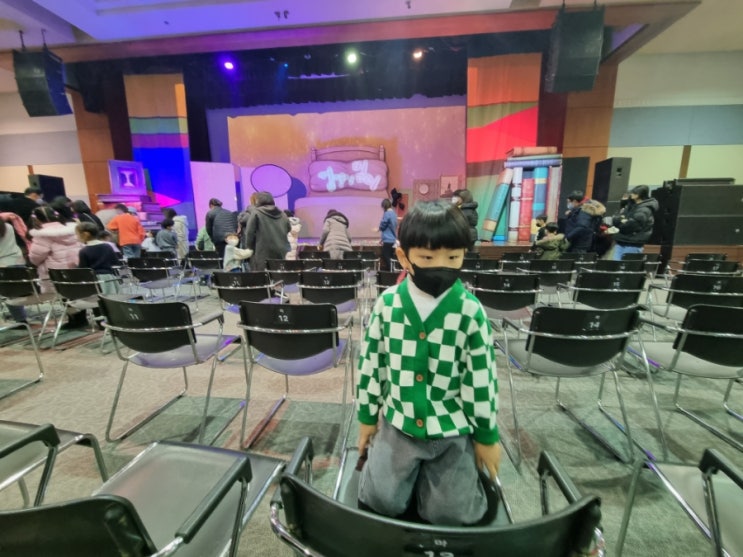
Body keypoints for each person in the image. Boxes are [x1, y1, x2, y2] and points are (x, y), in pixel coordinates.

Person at [356, 200, 500, 526]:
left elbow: (481, 379)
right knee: (381, 502)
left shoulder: (470, 311)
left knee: (450, 515)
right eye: (427, 258)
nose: (441, 266)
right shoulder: (388, 304)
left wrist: (486, 436)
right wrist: (367, 417)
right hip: (398, 423)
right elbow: (372, 364)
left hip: (452, 430)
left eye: (453, 257)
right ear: (403, 257)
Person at [28, 205, 82, 293]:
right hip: (76, 268)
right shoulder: (73, 230)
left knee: (59, 296)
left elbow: (35, 257)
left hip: (55, 273)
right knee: (77, 293)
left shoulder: (42, 235)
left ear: (36, 219)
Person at [243, 192, 290, 271]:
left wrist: (249, 247)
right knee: (278, 274)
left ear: (258, 201)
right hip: (280, 250)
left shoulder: (256, 213)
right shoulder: (283, 214)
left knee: (262, 275)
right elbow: (288, 228)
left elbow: (249, 232)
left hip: (262, 250)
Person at [611, 185, 658, 260]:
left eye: (634, 193)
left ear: (639, 195)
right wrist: (622, 220)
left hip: (633, 243)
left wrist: (622, 222)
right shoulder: (630, 205)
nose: (631, 194)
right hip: (621, 240)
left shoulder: (644, 209)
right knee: (615, 265)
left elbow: (632, 225)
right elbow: (616, 218)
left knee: (627, 265)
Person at [76, 222, 121, 295]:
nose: (77, 237)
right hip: (110, 277)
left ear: (85, 234)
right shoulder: (107, 246)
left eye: (77, 234)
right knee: (112, 297)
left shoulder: (84, 251)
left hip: (95, 279)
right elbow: (115, 262)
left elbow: (83, 269)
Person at [0, 218, 29, 322]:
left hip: (3, 265)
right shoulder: (8, 226)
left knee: (10, 294)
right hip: (18, 262)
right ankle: (21, 318)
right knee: (15, 292)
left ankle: (20, 319)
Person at [378, 199, 397, 271]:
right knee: (391, 257)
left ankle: (391, 272)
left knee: (385, 255)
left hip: (388, 240)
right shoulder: (394, 214)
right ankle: (391, 271)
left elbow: (383, 224)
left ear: (384, 206)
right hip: (392, 239)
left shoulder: (387, 213)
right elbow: (390, 227)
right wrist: (382, 239)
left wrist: (378, 229)